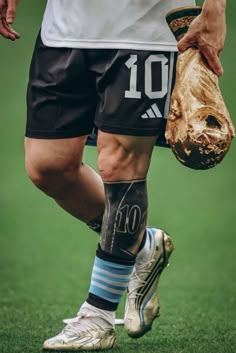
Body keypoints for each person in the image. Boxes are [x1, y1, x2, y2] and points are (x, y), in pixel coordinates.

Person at [0, 0, 227, 350]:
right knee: (48, 167)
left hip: (145, 30)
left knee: (119, 165)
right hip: (65, 29)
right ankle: (141, 245)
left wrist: (215, 9)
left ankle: (99, 316)